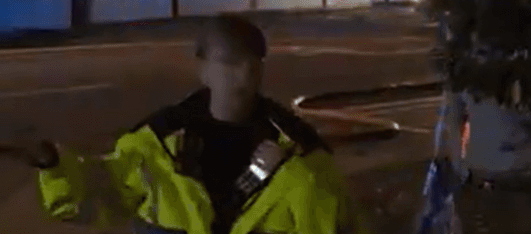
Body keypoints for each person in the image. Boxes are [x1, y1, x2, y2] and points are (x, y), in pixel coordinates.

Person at [25, 13, 367, 234]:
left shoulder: (302, 163)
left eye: (250, 63)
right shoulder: (156, 146)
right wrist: (55, 168)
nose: (243, 74)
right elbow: (92, 200)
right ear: (203, 69)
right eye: (230, 61)